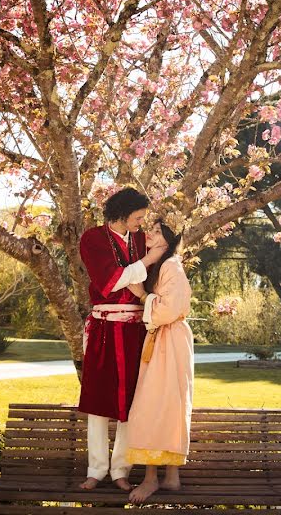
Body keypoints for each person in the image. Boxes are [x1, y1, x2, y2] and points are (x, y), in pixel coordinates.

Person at [77, 188, 166, 491]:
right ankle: (96, 469)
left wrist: (147, 268)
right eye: (138, 216)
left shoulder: (141, 240)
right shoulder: (92, 239)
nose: (142, 222)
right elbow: (109, 281)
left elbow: (149, 280)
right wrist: (149, 260)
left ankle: (120, 470)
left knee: (132, 400)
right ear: (123, 212)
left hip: (135, 330)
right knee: (98, 401)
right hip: (103, 328)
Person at [124, 220, 195, 504]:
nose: (148, 234)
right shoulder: (163, 265)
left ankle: (153, 478)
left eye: (155, 231)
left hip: (170, 339)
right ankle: (170, 476)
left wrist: (142, 295)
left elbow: (170, 309)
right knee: (164, 402)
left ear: (167, 241)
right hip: (165, 339)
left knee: (158, 403)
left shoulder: (171, 266)